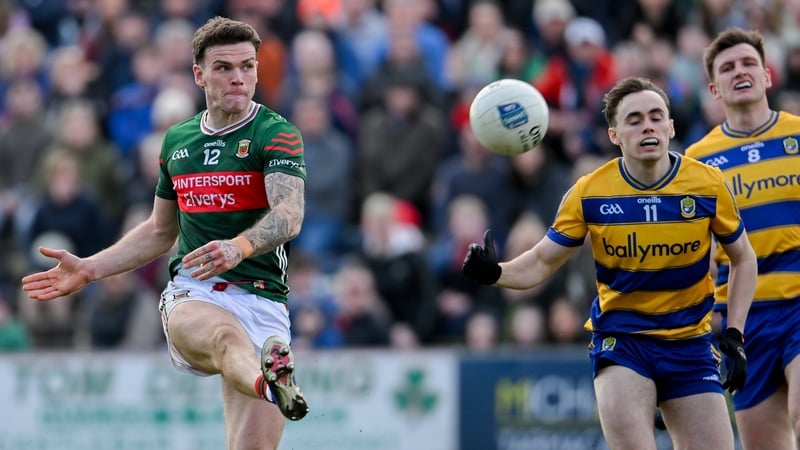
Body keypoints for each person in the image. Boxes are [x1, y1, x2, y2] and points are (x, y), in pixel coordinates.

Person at [21, 16, 309, 448]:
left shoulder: (276, 133)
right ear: (199, 74)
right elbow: (160, 231)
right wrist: (91, 269)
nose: (238, 78)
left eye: (247, 66)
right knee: (224, 337)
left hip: (264, 297)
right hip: (196, 292)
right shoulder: (178, 141)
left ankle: (268, 375)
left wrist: (239, 246)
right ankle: (269, 381)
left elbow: (290, 213)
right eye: (224, 68)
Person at [462, 76, 757, 449]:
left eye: (655, 116)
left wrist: (735, 332)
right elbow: (541, 261)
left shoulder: (707, 185)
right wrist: (495, 272)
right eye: (634, 119)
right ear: (614, 134)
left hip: (690, 344)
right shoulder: (590, 192)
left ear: (671, 126)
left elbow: (744, 258)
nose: (647, 125)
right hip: (623, 343)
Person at [685, 27, 800, 450]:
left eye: (749, 63)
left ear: (768, 75)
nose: (741, 71)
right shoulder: (697, 162)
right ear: (715, 88)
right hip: (744, 320)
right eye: (728, 68)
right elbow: (695, 252)